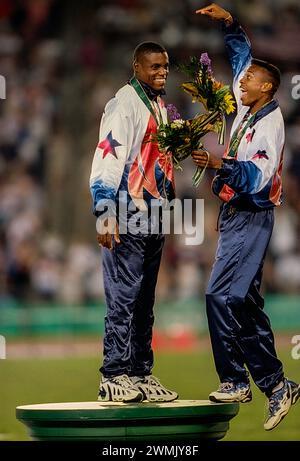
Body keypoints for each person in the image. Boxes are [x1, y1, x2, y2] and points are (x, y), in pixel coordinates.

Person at [192, 3, 300, 430]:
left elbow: (256, 178)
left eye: (251, 79)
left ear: (267, 88)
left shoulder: (270, 126)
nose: (241, 81)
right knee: (248, 307)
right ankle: (277, 386)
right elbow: (240, 57)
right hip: (236, 217)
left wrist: (220, 166)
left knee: (221, 297)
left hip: (251, 217)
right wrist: (231, 24)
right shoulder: (250, 103)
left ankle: (235, 379)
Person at [89, 41, 178, 403]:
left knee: (144, 301)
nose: (161, 72)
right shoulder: (124, 103)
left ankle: (140, 372)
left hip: (153, 214)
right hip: (126, 213)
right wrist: (104, 212)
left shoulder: (157, 104)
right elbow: (108, 157)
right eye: (154, 67)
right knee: (124, 298)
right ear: (137, 67)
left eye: (165, 67)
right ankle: (113, 374)